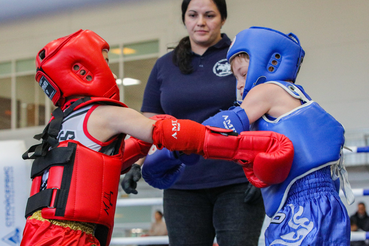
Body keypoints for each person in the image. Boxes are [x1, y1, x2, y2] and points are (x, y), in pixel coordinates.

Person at [19, 29, 294, 246]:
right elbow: (167, 132)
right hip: (69, 238)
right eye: (104, 62)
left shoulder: (59, 124)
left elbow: (100, 161)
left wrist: (151, 152)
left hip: (37, 232)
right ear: (82, 69)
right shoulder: (105, 113)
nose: (111, 71)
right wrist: (242, 148)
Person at [122, 0, 266, 245]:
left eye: (209, 15)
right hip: (181, 183)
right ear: (184, 18)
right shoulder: (165, 65)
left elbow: (264, 110)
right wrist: (137, 164)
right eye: (193, 15)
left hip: (237, 180)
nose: (200, 22)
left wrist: (263, 172)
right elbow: (149, 122)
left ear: (223, 19)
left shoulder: (240, 56)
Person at [202, 26, 352, 245]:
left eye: (243, 74)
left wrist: (176, 138)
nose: (240, 84)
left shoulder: (266, 91)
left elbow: (225, 128)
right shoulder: (298, 96)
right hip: (329, 205)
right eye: (235, 78)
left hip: (301, 208)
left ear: (271, 63)